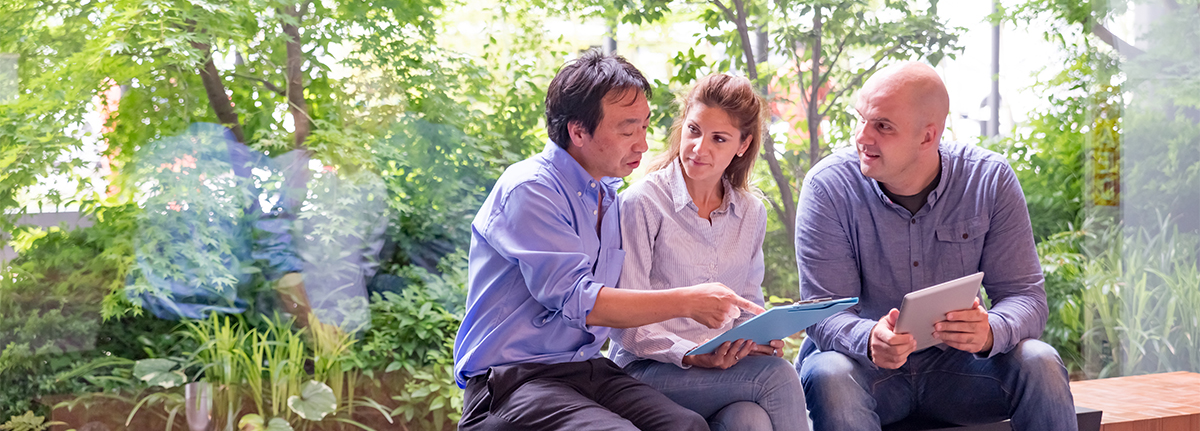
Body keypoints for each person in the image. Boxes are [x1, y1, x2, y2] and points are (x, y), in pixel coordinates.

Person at [453, 50, 765, 431]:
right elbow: (580, 301)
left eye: (646, 128)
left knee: (687, 427)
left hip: (585, 369)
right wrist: (689, 302)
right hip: (511, 379)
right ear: (579, 132)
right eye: (627, 130)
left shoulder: (608, 197)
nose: (643, 144)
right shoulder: (531, 189)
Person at [793, 62, 1077, 430]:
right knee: (828, 371)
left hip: (960, 370)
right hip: (866, 371)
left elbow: (1027, 298)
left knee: (1041, 360)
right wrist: (869, 339)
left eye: (882, 126)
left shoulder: (989, 180)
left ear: (928, 137)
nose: (862, 137)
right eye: (859, 119)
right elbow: (821, 311)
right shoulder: (828, 187)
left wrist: (990, 330)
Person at [609, 74, 808, 431]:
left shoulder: (751, 212)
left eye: (719, 138)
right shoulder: (642, 203)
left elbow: (747, 302)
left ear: (743, 145)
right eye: (694, 130)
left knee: (750, 420)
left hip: (720, 368)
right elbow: (626, 328)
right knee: (776, 377)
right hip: (647, 371)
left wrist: (756, 340)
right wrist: (691, 354)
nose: (700, 148)